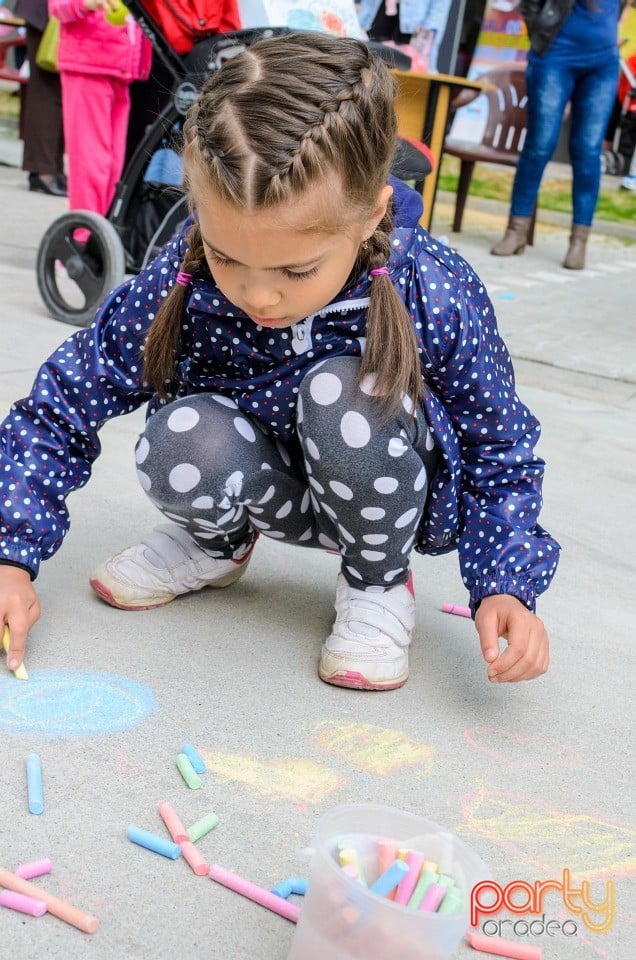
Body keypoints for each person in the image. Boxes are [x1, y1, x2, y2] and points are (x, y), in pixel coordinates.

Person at [0, 33, 560, 692]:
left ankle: (376, 584)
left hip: (383, 493)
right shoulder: (185, 273)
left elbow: (500, 443)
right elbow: (63, 401)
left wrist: (506, 584)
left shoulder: (428, 288)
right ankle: (216, 545)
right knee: (178, 438)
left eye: (297, 269)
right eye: (228, 256)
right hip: (265, 486)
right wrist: (10, 554)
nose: (260, 294)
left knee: (338, 390)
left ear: (371, 214)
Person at [491, 0, 622, 269]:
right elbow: (528, 6)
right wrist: (540, 36)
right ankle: (516, 231)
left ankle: (578, 242)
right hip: (555, 57)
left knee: (588, 150)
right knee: (540, 145)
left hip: (604, 64)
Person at [48, 0, 151, 215]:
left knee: (113, 163)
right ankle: (84, 232)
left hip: (122, 70)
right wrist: (88, 3)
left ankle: (98, 229)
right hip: (88, 65)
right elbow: (57, 6)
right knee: (91, 161)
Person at [14, 0, 66, 195]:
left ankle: (53, 168)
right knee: (46, 91)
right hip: (46, 13)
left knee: (57, 93)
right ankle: (43, 170)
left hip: (53, 13)